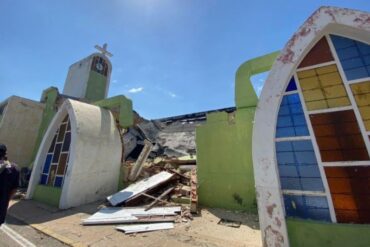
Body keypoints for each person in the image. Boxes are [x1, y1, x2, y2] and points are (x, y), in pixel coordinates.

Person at [0, 144, 19, 226]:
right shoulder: (14, 168)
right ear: (5, 154)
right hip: (1, 206)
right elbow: (14, 190)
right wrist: (6, 200)